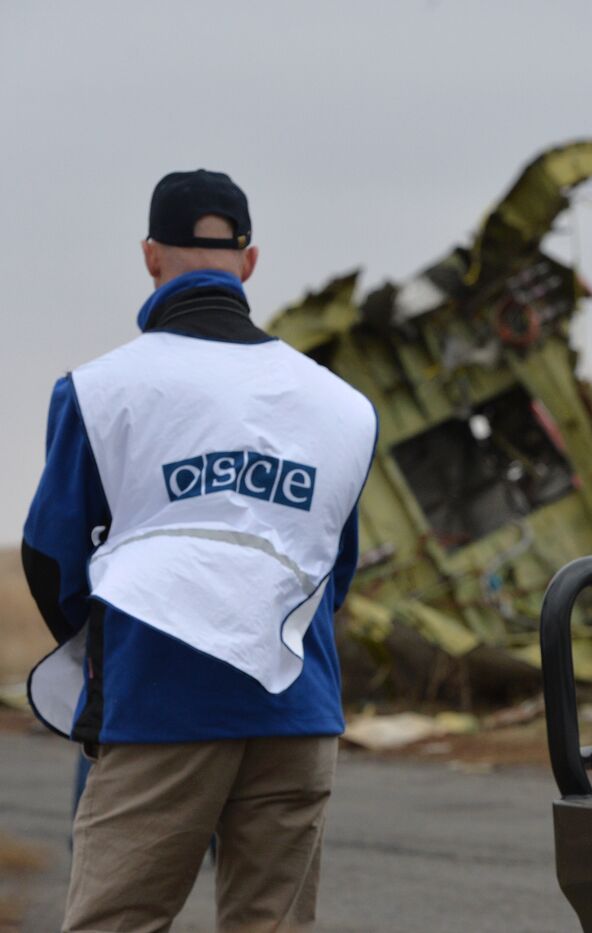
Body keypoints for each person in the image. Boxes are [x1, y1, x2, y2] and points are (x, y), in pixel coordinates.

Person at [22, 170, 378, 932]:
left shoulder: (98, 391)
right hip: (299, 714)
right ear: (249, 262)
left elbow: (51, 560)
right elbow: (334, 567)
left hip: (159, 706)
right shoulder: (343, 407)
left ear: (150, 255)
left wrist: (112, 655)